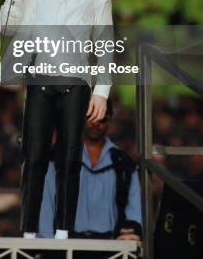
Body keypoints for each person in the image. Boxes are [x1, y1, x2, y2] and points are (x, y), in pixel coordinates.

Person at [0, 0, 113, 239]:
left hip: (75, 80)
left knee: (68, 159)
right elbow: (6, 25)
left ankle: (63, 232)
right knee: (33, 156)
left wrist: (101, 91)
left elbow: (104, 41)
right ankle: (29, 232)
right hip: (38, 77)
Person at [38, 99, 142, 240]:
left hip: (112, 247)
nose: (96, 124)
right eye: (90, 117)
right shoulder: (57, 158)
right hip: (65, 245)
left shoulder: (124, 164)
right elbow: (45, 206)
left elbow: (134, 211)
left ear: (110, 120)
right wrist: (47, 246)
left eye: (102, 119)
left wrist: (132, 234)